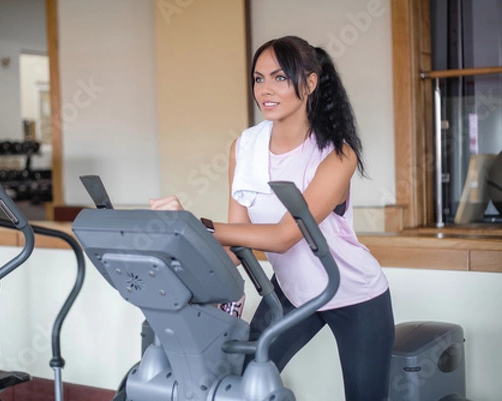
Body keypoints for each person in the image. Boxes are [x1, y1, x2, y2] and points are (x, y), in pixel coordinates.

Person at [150, 35, 395, 401]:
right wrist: (181, 249)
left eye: (280, 78)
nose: (266, 89)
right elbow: (238, 244)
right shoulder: (244, 147)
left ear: (310, 83)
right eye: (258, 78)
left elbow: (284, 236)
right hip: (291, 293)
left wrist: (197, 224)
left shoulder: (336, 154)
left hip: (352, 293)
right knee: (244, 379)